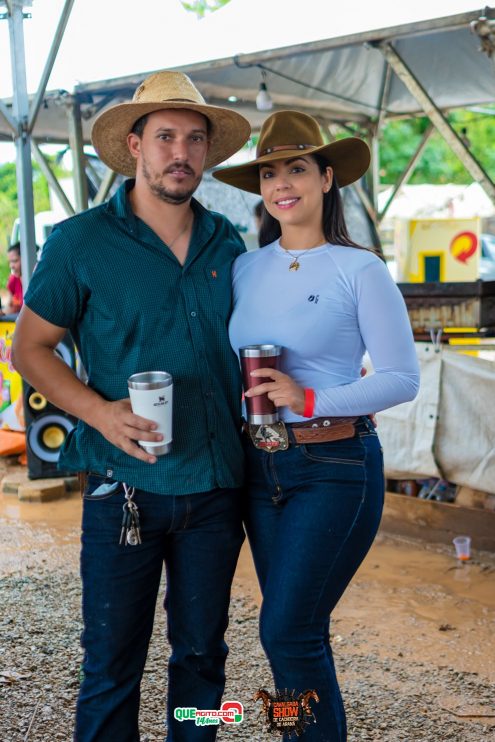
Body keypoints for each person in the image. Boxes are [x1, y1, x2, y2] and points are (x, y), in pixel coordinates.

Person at [12, 70, 251, 742]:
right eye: (166, 136)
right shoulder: (80, 242)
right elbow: (30, 350)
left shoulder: (227, 244)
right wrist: (99, 412)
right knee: (112, 664)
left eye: (195, 139)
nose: (182, 152)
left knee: (203, 660)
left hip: (215, 488)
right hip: (124, 488)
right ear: (135, 144)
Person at [213, 110, 420, 741]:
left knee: (285, 629)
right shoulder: (247, 268)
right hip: (260, 464)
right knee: (291, 635)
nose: (282, 184)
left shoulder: (360, 270)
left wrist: (308, 397)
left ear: (327, 177)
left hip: (334, 466)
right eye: (270, 172)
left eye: (297, 169)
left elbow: (401, 379)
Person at [5, 242, 23, 313]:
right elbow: (10, 305)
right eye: (10, 262)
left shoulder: (36, 281)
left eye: (15, 261)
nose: (11, 266)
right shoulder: (13, 280)